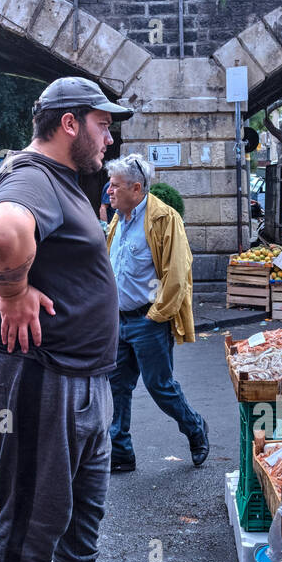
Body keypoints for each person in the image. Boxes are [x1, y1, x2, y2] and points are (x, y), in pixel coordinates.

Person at [0, 77, 133, 562]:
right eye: (102, 123)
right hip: (40, 374)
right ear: (69, 123)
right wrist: (11, 293)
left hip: (79, 375)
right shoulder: (32, 177)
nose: (109, 135)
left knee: (82, 504)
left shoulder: (63, 181)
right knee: (36, 510)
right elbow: (5, 230)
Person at [104, 152, 207, 473]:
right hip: (118, 322)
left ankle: (194, 428)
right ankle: (121, 451)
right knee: (117, 388)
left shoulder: (165, 218)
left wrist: (156, 316)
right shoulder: (118, 219)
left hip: (149, 320)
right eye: (109, 185)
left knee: (160, 387)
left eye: (115, 186)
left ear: (136, 189)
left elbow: (177, 274)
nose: (109, 191)